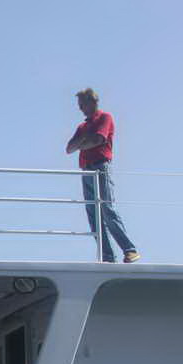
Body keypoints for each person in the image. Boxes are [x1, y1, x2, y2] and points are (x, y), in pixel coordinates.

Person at [65, 88, 140, 264]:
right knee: (93, 214)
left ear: (92, 102)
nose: (80, 108)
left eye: (82, 104)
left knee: (106, 208)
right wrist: (84, 140)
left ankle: (130, 250)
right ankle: (108, 257)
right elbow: (69, 148)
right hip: (86, 170)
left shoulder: (105, 117)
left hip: (100, 166)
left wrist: (82, 142)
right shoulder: (82, 127)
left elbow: (98, 139)